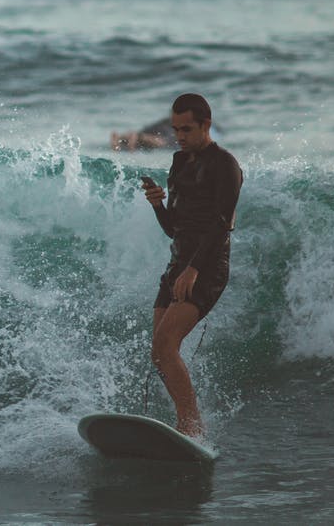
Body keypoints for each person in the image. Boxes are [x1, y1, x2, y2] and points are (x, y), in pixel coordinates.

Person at [139, 93, 242, 438]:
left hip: (207, 267)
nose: (179, 136)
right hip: (178, 264)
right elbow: (174, 228)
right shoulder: (179, 164)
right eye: (175, 129)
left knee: (166, 346)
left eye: (186, 129)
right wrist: (157, 205)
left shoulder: (225, 165)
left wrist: (194, 270)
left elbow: (221, 224)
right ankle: (185, 420)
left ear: (205, 125)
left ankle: (191, 425)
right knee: (159, 352)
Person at [111, 114, 176, 151]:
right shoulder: (171, 124)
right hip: (161, 135)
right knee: (163, 142)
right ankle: (136, 136)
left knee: (139, 139)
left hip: (156, 129)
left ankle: (120, 138)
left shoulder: (165, 121)